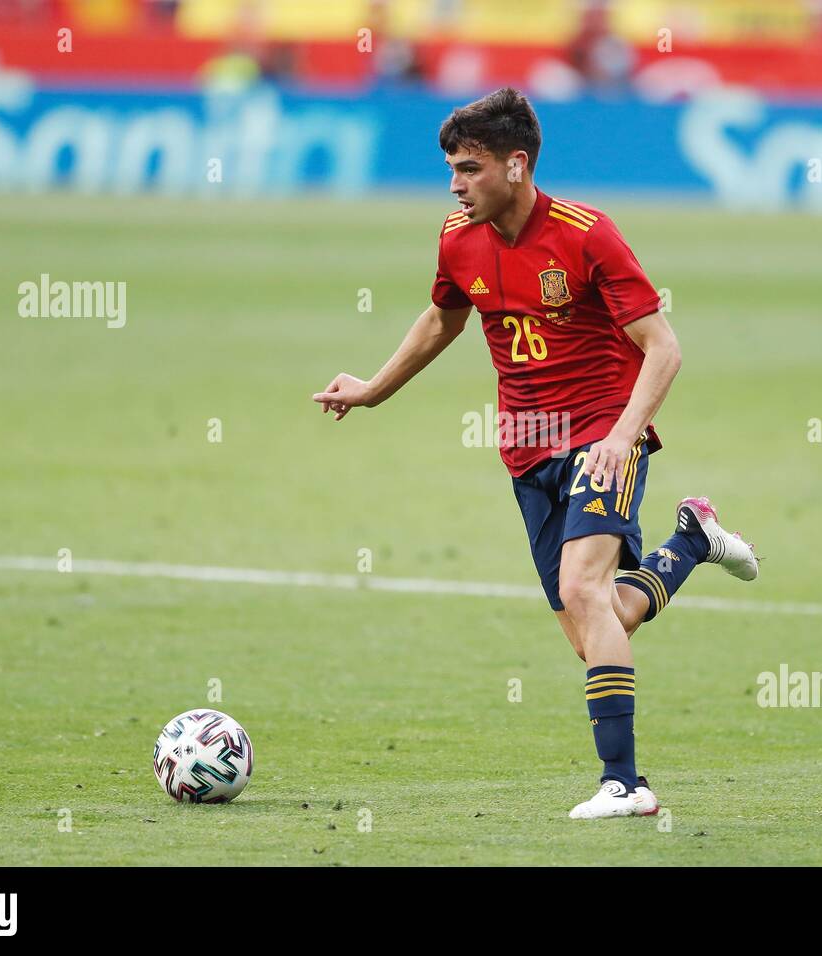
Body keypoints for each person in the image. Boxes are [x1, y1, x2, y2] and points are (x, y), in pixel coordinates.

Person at [313, 88, 759, 819]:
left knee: (586, 593)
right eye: (452, 169)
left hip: (602, 437)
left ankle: (625, 784)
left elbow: (663, 348)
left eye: (469, 167)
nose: (456, 184)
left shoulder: (587, 234)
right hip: (526, 450)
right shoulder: (458, 237)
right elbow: (442, 318)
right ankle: (690, 544)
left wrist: (621, 437)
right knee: (595, 628)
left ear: (516, 165)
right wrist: (373, 390)